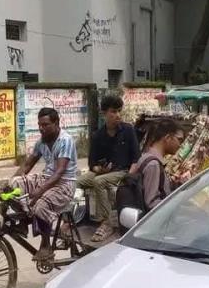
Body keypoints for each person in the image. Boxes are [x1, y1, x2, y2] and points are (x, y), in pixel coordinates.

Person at [13, 108, 77, 262]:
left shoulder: (65, 140)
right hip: (47, 179)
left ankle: (46, 245)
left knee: (40, 205)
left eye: (45, 125)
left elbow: (59, 172)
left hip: (64, 184)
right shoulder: (41, 142)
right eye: (39, 125)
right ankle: (23, 222)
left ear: (56, 123)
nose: (41, 128)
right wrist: (7, 185)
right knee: (15, 184)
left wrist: (39, 191)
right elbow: (27, 165)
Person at [77, 94, 139, 243]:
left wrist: (129, 177)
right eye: (113, 111)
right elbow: (92, 163)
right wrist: (100, 169)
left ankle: (106, 222)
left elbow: (136, 158)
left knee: (99, 182)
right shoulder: (98, 135)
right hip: (104, 172)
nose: (117, 115)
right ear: (104, 113)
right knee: (77, 181)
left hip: (123, 172)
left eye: (119, 111)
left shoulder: (128, 130)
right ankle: (73, 218)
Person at [134, 119, 184, 211]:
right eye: (179, 140)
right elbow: (151, 203)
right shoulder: (153, 164)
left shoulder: (148, 158)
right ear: (168, 138)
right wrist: (176, 205)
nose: (180, 145)